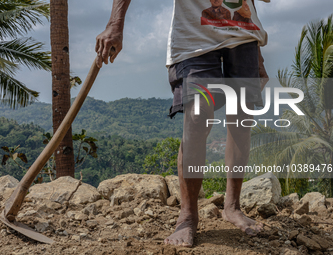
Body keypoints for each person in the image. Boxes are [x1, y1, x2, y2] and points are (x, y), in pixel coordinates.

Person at [96, 0, 270, 248]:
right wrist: (115, 24)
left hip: (243, 35)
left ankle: (232, 207)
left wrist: (257, 51)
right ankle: (188, 216)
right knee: (198, 117)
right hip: (193, 36)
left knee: (241, 117)